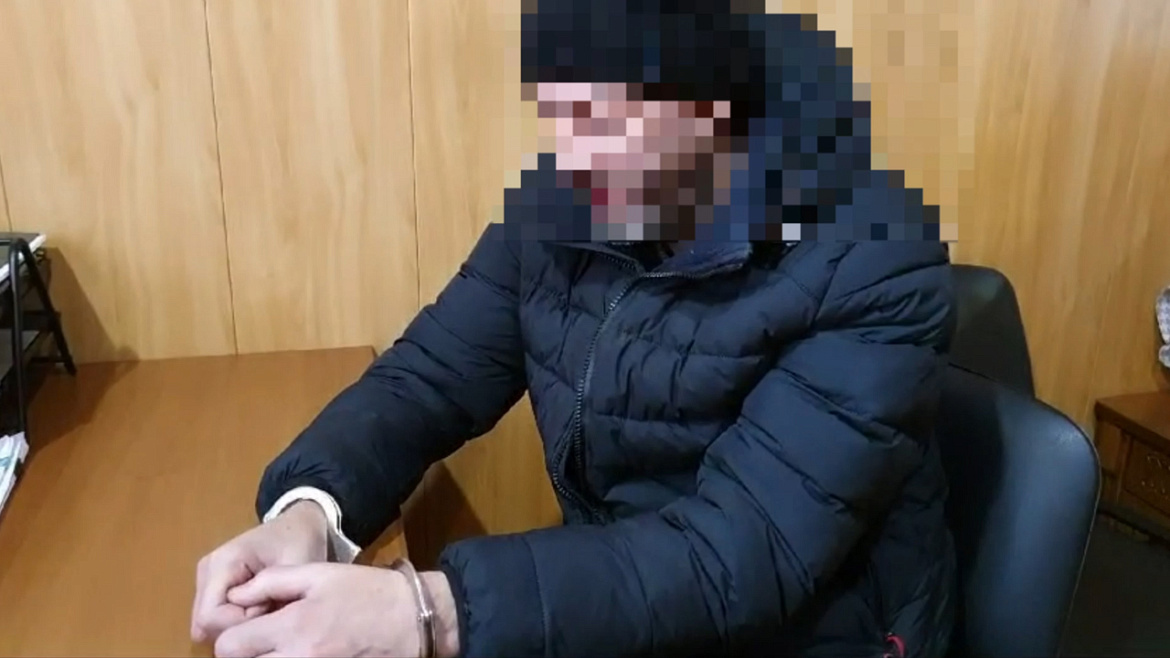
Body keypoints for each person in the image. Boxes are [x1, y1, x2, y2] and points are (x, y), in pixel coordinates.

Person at [191, 2, 956, 657]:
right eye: (560, 112)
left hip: (805, 632)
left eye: (605, 117)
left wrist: (429, 612)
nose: (573, 156)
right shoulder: (565, 204)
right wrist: (310, 513)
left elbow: (739, 556)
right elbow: (427, 379)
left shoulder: (876, 261)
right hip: (622, 611)